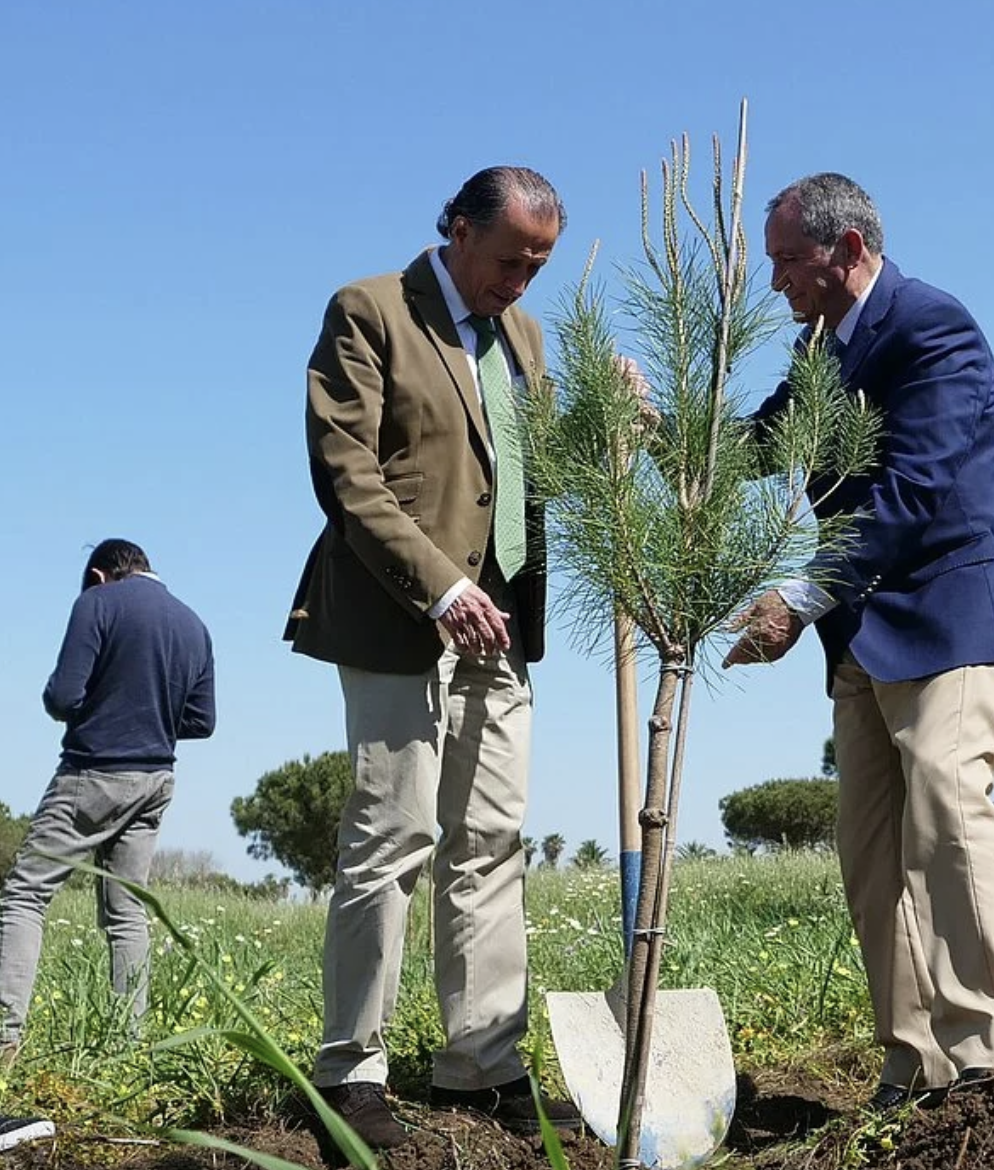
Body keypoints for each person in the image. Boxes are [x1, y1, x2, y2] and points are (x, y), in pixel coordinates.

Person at [724, 173, 994, 1109]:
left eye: (788, 261)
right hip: (865, 627)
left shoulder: (929, 327)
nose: (776, 281)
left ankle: (988, 1056)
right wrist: (655, 428)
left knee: (947, 808)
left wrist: (800, 598)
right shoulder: (820, 348)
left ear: (848, 249)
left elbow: (914, 492)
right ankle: (915, 1064)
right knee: (870, 848)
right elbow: (761, 445)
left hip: (953, 612)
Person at [285, 166, 580, 1145]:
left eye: (538, 266)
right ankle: (351, 1071)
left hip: (504, 625)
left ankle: (480, 1063)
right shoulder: (370, 310)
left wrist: (609, 423)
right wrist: (443, 587)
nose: (520, 282)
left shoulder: (524, 337)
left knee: (491, 839)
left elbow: (532, 469)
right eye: (509, 260)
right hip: (402, 616)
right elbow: (347, 472)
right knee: (393, 834)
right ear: (456, 228)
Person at [0, 540, 213, 1051]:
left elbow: (63, 696)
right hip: (156, 779)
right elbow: (201, 721)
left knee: (25, 895)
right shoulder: (193, 624)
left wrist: (101, 713)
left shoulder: (97, 602)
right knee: (127, 912)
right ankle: (127, 1047)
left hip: (94, 772)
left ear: (99, 575)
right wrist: (147, 718)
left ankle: (4, 1038)